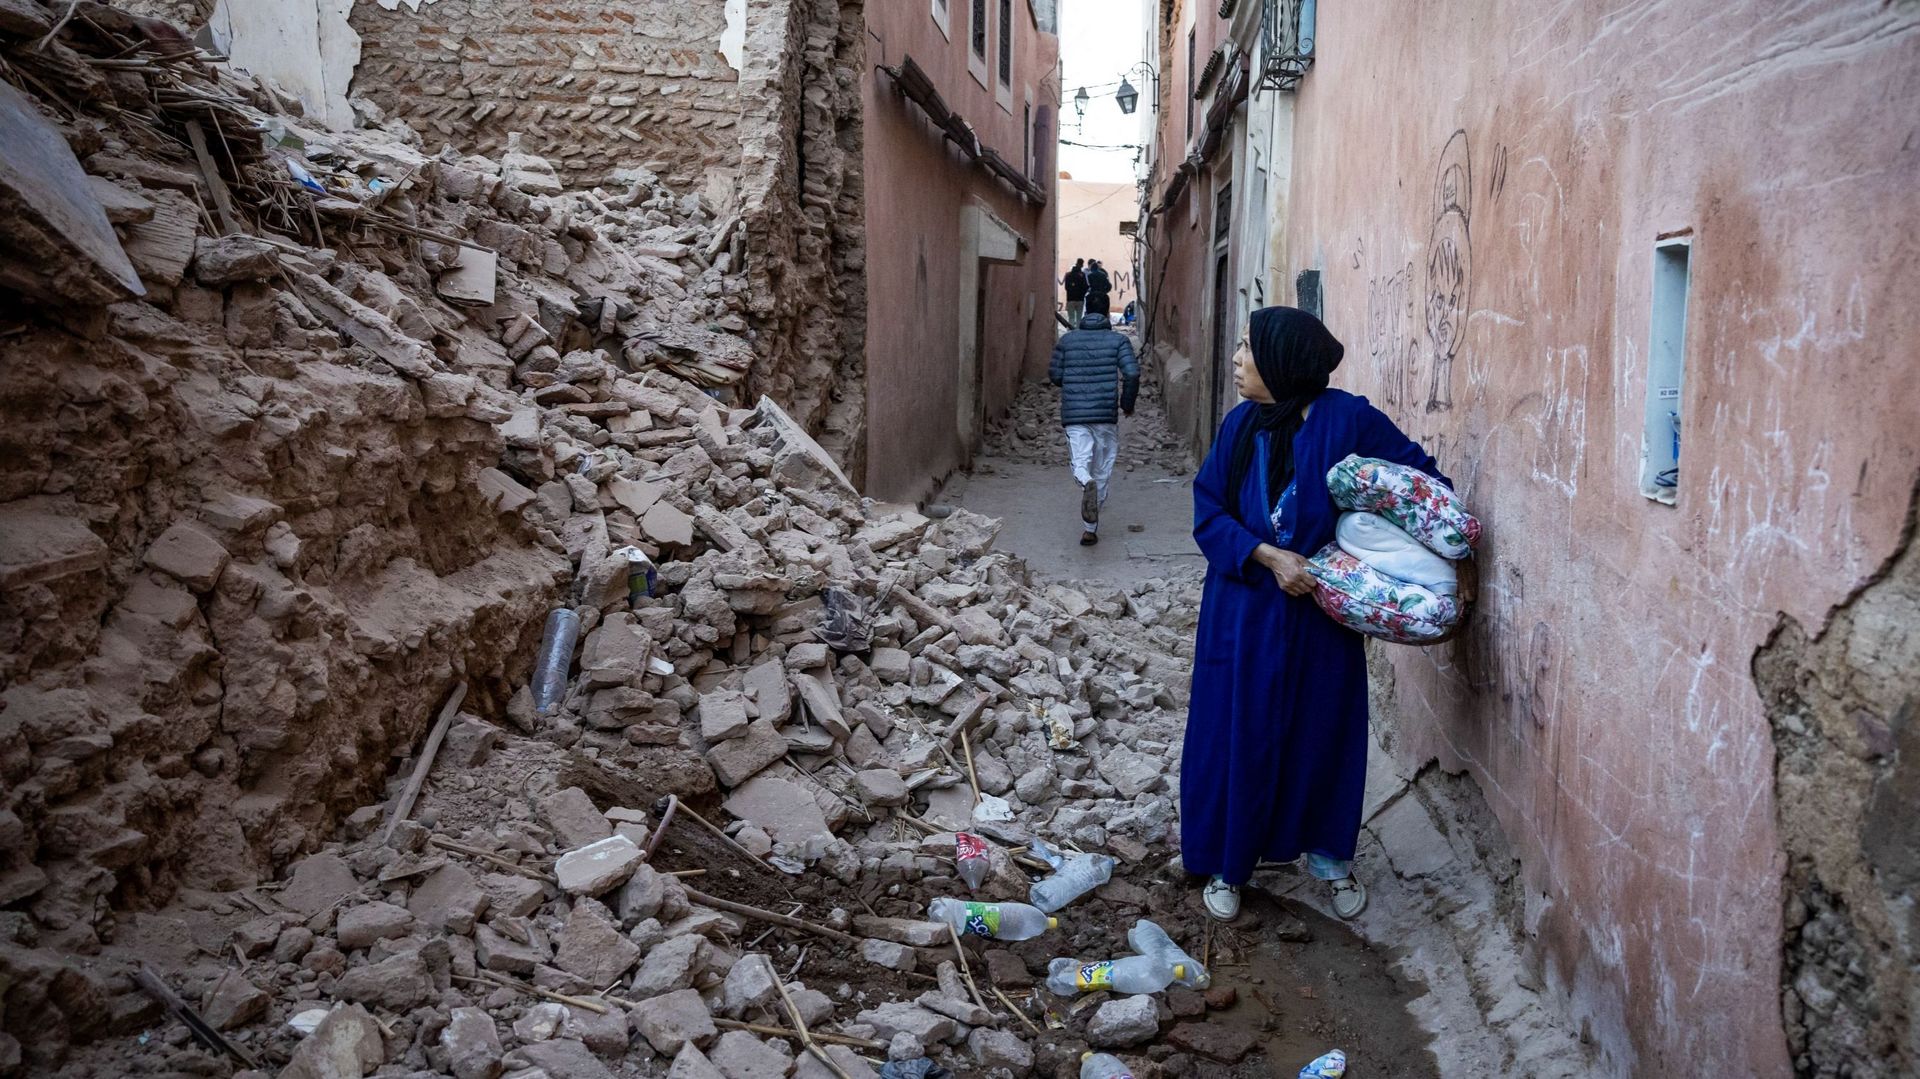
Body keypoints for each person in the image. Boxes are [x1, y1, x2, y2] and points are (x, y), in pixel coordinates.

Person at [1180, 306, 1457, 922]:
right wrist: (1269, 555)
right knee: (1240, 732)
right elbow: (1207, 511)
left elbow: (1421, 488)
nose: (1237, 359)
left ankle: (1330, 858)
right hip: (1244, 611)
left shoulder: (1348, 420)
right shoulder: (1239, 427)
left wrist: (1363, 552)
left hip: (1320, 616)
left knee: (1321, 732)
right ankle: (1231, 863)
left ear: (1284, 361)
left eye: (1248, 349)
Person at [1048, 294, 1139, 546]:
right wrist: (1127, 404)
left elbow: (1055, 375)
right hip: (1105, 415)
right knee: (1103, 467)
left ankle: (1085, 484)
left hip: (1075, 415)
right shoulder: (1119, 341)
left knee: (1081, 461)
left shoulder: (1068, 341)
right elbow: (1132, 373)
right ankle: (1090, 526)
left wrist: (1073, 384)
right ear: (1108, 311)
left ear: (1086, 310)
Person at [1063, 258, 1088, 323]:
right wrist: (1082, 294)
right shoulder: (1082, 275)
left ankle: (1071, 331)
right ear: (1082, 265)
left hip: (1070, 299)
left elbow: (1066, 287)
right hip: (1080, 299)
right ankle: (1077, 332)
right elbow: (1085, 287)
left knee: (1071, 318)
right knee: (1079, 318)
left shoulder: (1068, 275)